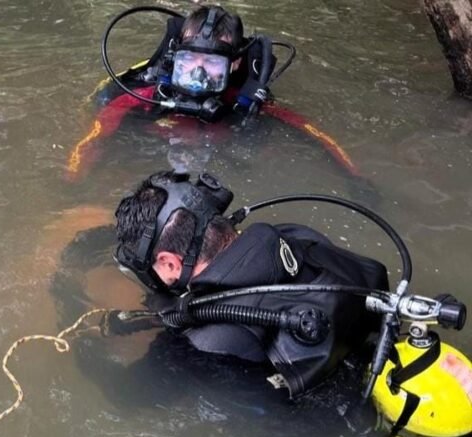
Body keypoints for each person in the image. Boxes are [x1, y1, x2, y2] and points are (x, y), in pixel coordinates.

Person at [112, 170, 390, 396]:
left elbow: (130, 398)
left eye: (154, 268)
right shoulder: (295, 236)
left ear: (171, 263)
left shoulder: (207, 343)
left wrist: (86, 352)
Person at [65, 5, 362, 182]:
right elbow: (95, 135)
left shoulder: (243, 103)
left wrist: (356, 178)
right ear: (175, 57)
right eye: (189, 61)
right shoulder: (143, 99)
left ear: (233, 64)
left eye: (210, 64)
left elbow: (312, 133)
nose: (197, 73)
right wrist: (72, 181)